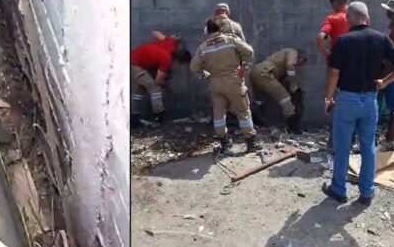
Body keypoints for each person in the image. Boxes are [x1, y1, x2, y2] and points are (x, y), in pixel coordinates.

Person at [322, 1, 394, 206]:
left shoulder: (343, 41)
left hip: (347, 99)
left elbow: (334, 72)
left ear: (349, 19)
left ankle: (339, 189)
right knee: (368, 147)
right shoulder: (381, 39)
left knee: (342, 146)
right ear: (368, 19)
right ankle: (366, 192)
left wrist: (328, 98)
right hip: (370, 100)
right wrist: (386, 81)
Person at [189, 18, 262, 155]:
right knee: (243, 112)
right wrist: (244, 67)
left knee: (219, 114)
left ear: (207, 31)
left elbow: (194, 67)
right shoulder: (230, 40)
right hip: (233, 80)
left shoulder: (203, 47)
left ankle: (224, 143)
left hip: (215, 83)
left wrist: (205, 75)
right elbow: (249, 52)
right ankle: (251, 143)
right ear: (220, 29)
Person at [130, 31, 192, 128]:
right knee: (155, 88)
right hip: (134, 64)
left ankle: (133, 117)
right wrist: (167, 86)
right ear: (180, 61)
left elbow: (155, 33)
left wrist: (172, 38)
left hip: (137, 58)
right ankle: (159, 117)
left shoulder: (172, 43)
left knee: (140, 89)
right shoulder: (166, 60)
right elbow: (158, 81)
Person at [316, 0, 353, 148]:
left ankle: (335, 141)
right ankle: (352, 141)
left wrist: (326, 55)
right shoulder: (357, 17)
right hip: (357, 65)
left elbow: (320, 37)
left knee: (335, 101)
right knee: (354, 101)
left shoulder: (332, 18)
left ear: (335, 4)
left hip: (338, 66)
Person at [250, 48, 308, 134]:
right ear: (301, 57)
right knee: (285, 97)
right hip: (265, 73)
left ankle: (257, 122)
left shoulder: (281, 58)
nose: (299, 65)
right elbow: (290, 66)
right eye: (301, 62)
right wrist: (293, 84)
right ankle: (294, 126)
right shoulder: (293, 52)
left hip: (257, 72)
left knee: (260, 101)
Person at [379, 0, 394, 149]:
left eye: (388, 10)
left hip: (393, 75)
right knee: (392, 107)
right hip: (389, 74)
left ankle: (391, 138)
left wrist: (386, 79)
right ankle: (392, 137)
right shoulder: (393, 28)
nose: (386, 12)